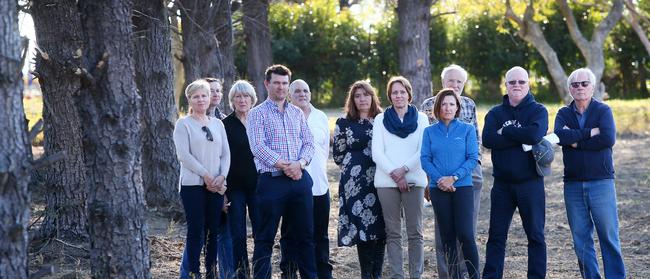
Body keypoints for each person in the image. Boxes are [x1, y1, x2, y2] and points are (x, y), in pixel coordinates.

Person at [554, 68, 626, 278]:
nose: (580, 88)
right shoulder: (563, 113)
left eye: (584, 83)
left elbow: (607, 139)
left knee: (608, 236)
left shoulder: (603, 111)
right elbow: (559, 136)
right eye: (575, 85)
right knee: (580, 239)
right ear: (569, 89)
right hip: (573, 184)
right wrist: (588, 133)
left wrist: (575, 141)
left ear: (593, 87)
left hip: (601, 182)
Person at [247, 65, 317, 279]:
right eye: (276, 82)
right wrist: (286, 166)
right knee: (265, 238)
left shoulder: (296, 113)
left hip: (299, 181)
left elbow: (309, 143)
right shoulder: (256, 114)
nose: (281, 87)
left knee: (305, 236)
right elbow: (257, 146)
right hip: (271, 183)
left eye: (285, 83)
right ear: (267, 84)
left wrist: (300, 164)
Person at [482, 66, 548, 279]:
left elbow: (534, 134)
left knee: (536, 236)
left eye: (521, 82)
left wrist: (506, 131)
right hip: (502, 185)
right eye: (512, 82)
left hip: (531, 184)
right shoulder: (495, 113)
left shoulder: (538, 110)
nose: (517, 85)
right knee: (496, 237)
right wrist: (520, 136)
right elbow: (489, 140)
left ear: (528, 84)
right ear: (506, 85)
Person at [420, 64, 483, 279]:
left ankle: (468, 274)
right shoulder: (428, 106)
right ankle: (448, 274)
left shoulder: (469, 106)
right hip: (437, 176)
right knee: (444, 231)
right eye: (451, 81)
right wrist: (436, 179)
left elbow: (475, 142)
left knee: (466, 230)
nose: (455, 85)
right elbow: (425, 153)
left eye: (459, 82)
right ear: (442, 82)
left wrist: (460, 174)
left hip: (466, 174)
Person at [372, 76, 429, 279]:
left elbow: (423, 150)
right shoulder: (380, 119)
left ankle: (416, 275)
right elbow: (377, 152)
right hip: (386, 182)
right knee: (393, 232)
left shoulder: (422, 119)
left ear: (409, 94)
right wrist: (396, 175)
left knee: (415, 232)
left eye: (402, 92)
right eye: (394, 92)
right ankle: (397, 275)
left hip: (414, 180)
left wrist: (404, 170)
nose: (398, 95)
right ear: (390, 96)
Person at [174, 79, 231, 279]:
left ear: (209, 99)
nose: (201, 99)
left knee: (213, 230)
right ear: (189, 99)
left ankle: (211, 272)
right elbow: (184, 156)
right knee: (196, 231)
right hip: (193, 186)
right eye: (196, 96)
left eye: (204, 95)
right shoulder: (183, 124)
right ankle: (193, 272)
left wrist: (221, 176)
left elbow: (226, 154)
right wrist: (206, 176)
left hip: (216, 186)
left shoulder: (218, 124)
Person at [333, 81, 387, 279]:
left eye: (366, 94)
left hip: (381, 179)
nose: (362, 99)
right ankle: (367, 275)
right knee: (363, 228)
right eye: (357, 95)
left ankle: (377, 274)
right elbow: (338, 155)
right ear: (352, 100)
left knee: (381, 227)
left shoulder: (383, 119)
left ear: (373, 97)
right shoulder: (343, 122)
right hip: (355, 185)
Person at [280, 79, 333, 279]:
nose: (302, 94)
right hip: (293, 185)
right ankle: (290, 272)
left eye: (306, 90)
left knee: (320, 233)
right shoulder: (285, 116)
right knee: (291, 234)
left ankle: (322, 272)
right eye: (297, 91)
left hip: (320, 185)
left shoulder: (320, 116)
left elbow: (324, 152)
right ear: (289, 95)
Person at [223, 80, 260, 279]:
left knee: (260, 234)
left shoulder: (259, 119)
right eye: (238, 96)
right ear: (232, 100)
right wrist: (223, 193)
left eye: (246, 96)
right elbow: (221, 158)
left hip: (259, 187)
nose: (242, 100)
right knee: (238, 235)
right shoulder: (225, 125)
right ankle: (242, 275)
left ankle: (262, 272)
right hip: (234, 188)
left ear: (252, 99)